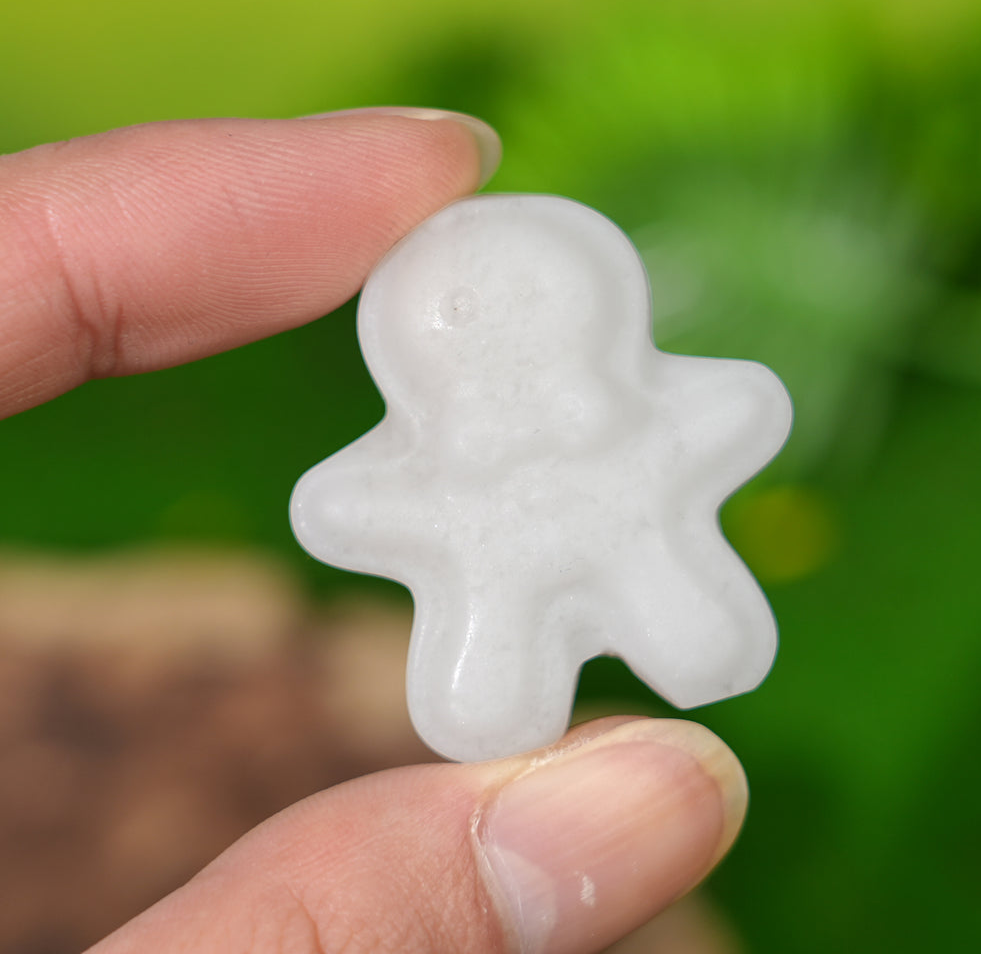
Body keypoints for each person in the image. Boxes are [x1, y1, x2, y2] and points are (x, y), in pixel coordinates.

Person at [0, 108, 750, 954]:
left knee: (682, 625)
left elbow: (735, 408)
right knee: (493, 684)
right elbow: (343, 508)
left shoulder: (626, 429)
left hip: (634, 539)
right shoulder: (451, 464)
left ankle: (679, 650)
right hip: (499, 580)